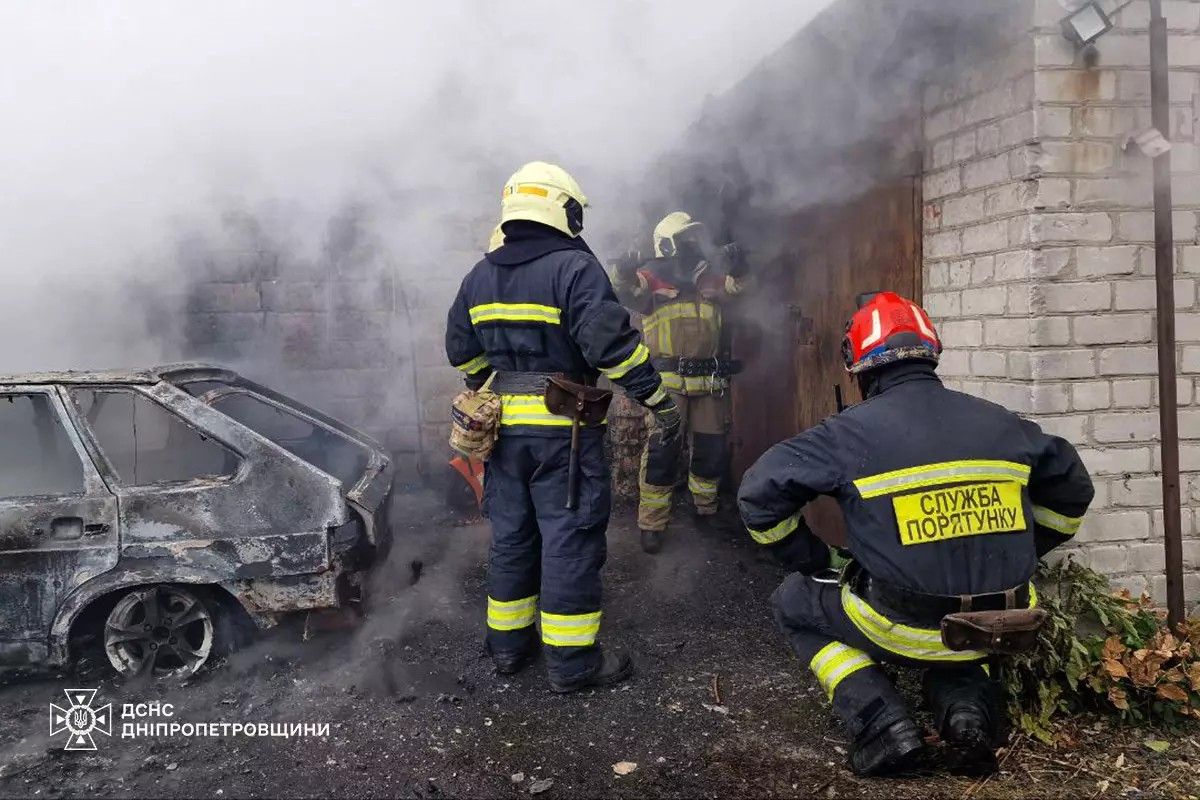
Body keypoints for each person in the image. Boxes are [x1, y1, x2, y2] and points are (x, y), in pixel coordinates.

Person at [736, 291, 1094, 776]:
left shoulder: (846, 433)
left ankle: (880, 721)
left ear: (858, 368)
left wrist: (813, 558)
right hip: (1006, 622)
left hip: (902, 624)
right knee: (969, 616)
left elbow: (758, 495)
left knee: (792, 602)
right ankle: (967, 713)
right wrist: (1027, 550)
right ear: (931, 353)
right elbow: (1074, 489)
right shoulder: (1001, 421)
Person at [445, 162, 681, 693]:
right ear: (561, 207)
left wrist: (498, 384)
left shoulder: (478, 275)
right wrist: (657, 400)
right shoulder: (575, 269)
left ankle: (508, 649)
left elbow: (463, 350)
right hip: (565, 434)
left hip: (503, 438)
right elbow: (611, 348)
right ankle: (572, 665)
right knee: (569, 540)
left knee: (512, 537)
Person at [610, 212, 747, 554]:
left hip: (709, 378)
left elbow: (740, 288)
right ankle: (652, 523)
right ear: (667, 243)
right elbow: (624, 289)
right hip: (668, 381)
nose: (689, 245)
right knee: (662, 450)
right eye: (683, 239)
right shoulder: (650, 276)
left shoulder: (710, 276)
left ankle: (706, 510)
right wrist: (623, 270)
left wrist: (740, 266)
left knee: (711, 447)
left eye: (692, 239)